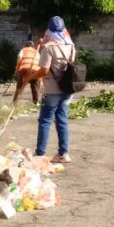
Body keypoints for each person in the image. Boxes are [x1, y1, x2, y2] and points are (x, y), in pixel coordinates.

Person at [33, 15, 76, 164]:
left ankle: (40, 155)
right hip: (67, 89)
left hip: (52, 90)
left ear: (49, 30)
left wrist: (29, 77)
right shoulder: (71, 46)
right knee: (62, 120)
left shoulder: (49, 48)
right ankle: (63, 154)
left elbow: (43, 70)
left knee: (45, 121)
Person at [13, 34, 42, 104]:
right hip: (35, 69)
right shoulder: (36, 52)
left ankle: (15, 101)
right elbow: (40, 61)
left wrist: (17, 68)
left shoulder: (23, 49)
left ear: (26, 45)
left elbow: (19, 57)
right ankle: (36, 102)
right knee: (35, 86)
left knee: (19, 86)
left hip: (24, 68)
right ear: (32, 46)